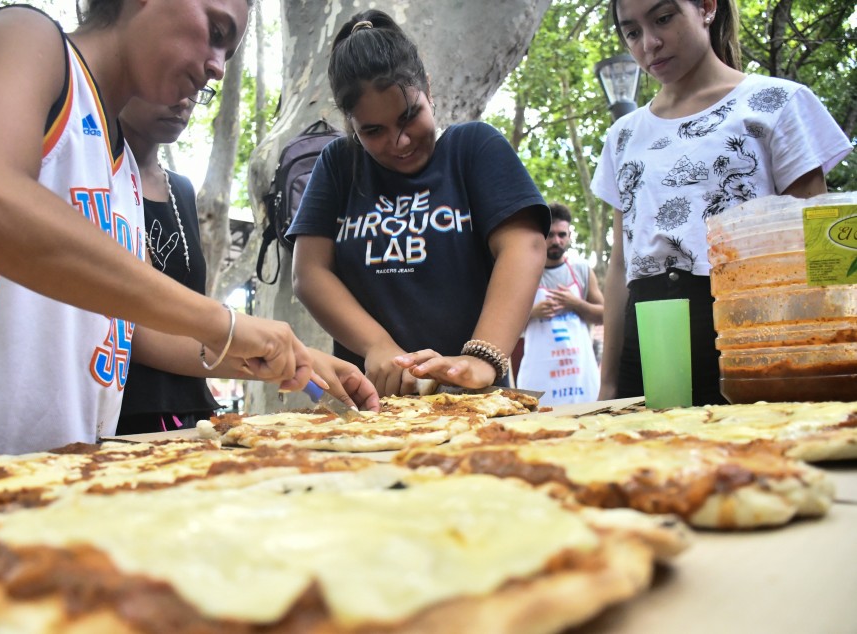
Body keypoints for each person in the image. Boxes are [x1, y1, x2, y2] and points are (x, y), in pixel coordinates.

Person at [0, 0, 376, 469]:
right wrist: (224, 323)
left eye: (229, 51)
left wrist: (292, 354)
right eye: (214, 31)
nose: (216, 67)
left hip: (36, 479)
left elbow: (143, 330)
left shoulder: (127, 171)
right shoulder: (24, 38)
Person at [592, 0, 852, 406]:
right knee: (642, 461)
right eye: (632, 32)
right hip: (646, 338)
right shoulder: (623, 135)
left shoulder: (775, 102)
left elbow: (815, 253)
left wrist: (819, 360)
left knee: (753, 461)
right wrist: (607, 384)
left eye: (663, 18)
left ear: (706, 8)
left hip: (752, 333)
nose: (650, 44)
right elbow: (621, 264)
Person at [288, 9, 550, 397]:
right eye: (373, 131)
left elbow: (523, 245)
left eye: (409, 116)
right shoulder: (338, 165)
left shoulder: (474, 147)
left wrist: (482, 358)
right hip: (372, 404)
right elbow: (308, 273)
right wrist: (378, 346)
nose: (400, 141)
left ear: (428, 88)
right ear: (351, 124)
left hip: (476, 403)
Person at [115, 94, 220, 435]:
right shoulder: (98, 177)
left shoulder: (182, 189)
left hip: (191, 405)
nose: (184, 99)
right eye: (176, 82)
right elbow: (137, 333)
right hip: (125, 412)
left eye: (198, 88)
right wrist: (254, 351)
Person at [517, 203, 603, 404]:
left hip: (579, 376)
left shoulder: (582, 271)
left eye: (562, 235)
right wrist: (533, 312)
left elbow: (604, 315)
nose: (556, 240)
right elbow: (504, 324)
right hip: (540, 376)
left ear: (570, 236)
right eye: (550, 235)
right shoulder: (525, 274)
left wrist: (576, 304)